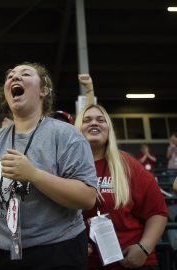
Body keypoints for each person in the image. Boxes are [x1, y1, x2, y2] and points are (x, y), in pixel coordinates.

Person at [0, 62, 97, 270]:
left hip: (56, 251)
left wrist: (34, 175)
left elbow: (87, 198)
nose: (14, 78)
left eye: (25, 74)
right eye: (10, 76)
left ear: (44, 90)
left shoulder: (66, 135)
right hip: (0, 251)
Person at [75, 74, 168, 269]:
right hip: (85, 262)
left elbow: (158, 212)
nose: (94, 123)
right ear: (78, 129)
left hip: (131, 261)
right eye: (87, 120)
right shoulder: (67, 168)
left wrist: (144, 249)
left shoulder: (128, 164)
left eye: (101, 120)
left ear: (109, 129)